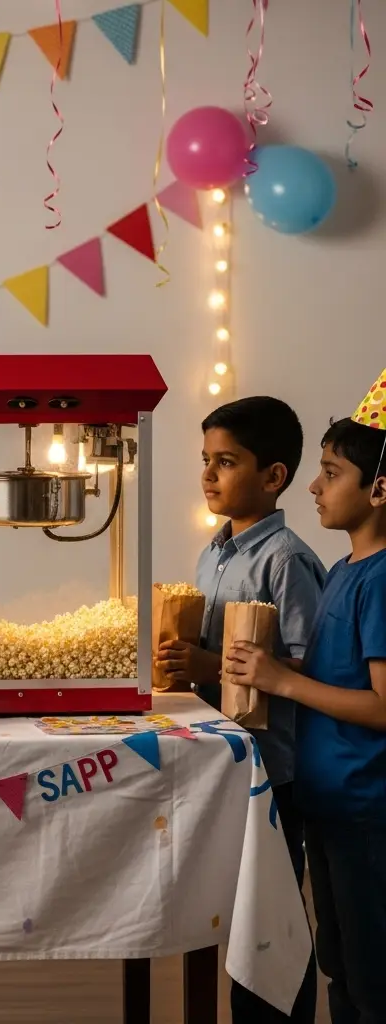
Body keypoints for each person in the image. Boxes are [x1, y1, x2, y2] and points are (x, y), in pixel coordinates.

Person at [155, 396, 322, 1024]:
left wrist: (207, 666)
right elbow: (211, 648)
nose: (208, 475)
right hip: (223, 758)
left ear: (273, 476)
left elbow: (310, 667)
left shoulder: (288, 561)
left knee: (271, 915)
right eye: (205, 460)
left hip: (273, 767)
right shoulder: (213, 553)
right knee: (228, 903)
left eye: (226, 462)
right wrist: (184, 660)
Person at [226, 405, 386, 1023]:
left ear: (379, 488)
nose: (314, 487)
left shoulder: (379, 581)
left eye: (331, 472)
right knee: (338, 963)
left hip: (366, 808)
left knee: (372, 975)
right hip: (328, 805)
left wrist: (281, 680)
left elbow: (381, 704)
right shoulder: (345, 569)